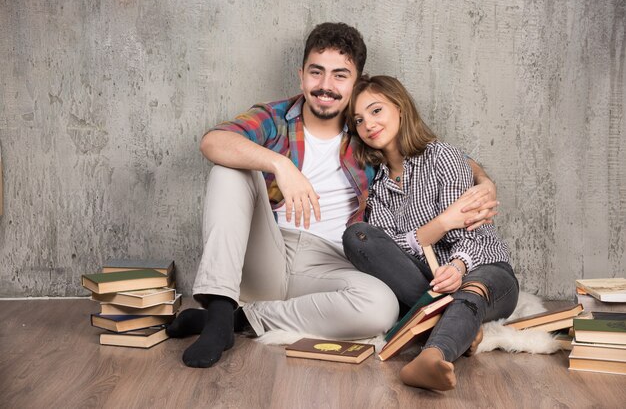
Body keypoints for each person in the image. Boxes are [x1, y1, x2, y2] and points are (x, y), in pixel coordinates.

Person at [167, 23, 497, 369]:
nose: (326, 86)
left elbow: (423, 150)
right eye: (316, 72)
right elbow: (213, 142)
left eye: (340, 75)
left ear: (356, 82)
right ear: (301, 76)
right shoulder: (275, 118)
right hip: (267, 251)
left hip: (332, 262)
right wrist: (281, 165)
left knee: (381, 307)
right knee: (228, 169)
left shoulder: (367, 129)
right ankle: (219, 308)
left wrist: (484, 179)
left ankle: (239, 321)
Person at [343, 75, 519, 391]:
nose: (368, 124)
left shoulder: (443, 156)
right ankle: (461, 326)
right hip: (430, 283)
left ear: (399, 108)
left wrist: (458, 266)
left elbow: (474, 231)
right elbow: (392, 250)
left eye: (376, 110)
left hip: (484, 269)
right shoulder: (379, 188)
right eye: (359, 120)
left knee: (471, 290)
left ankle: (433, 355)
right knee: (358, 236)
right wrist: (439, 225)